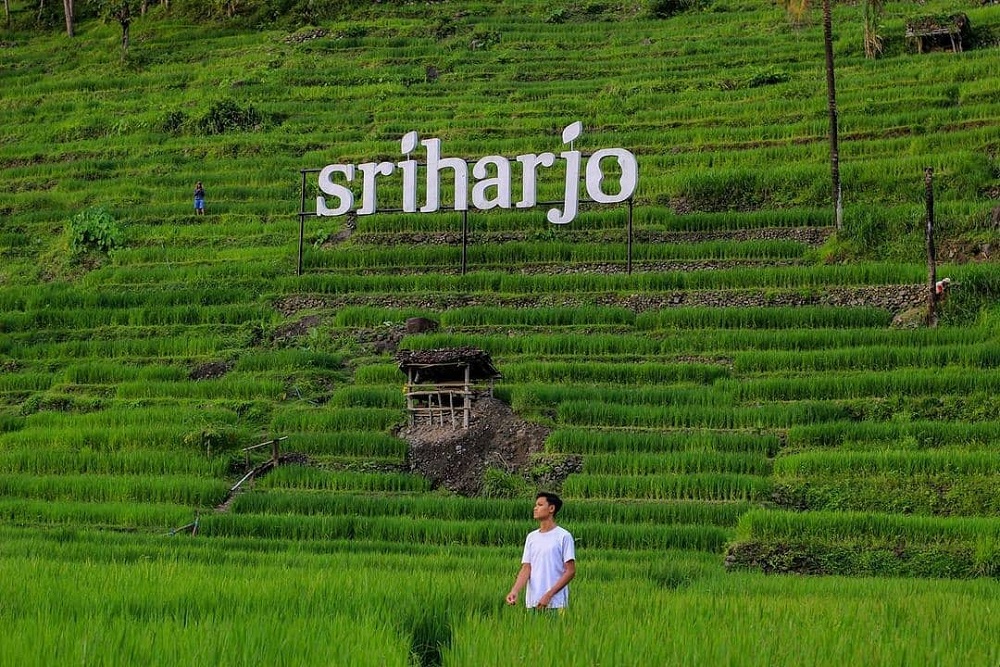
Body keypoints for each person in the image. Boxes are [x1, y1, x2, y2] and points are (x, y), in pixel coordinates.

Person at [506, 492, 576, 611]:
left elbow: (570, 571)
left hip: (556, 604)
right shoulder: (531, 537)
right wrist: (515, 591)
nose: (535, 508)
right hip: (533, 602)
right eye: (535, 505)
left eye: (540, 505)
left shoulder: (564, 536)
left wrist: (549, 595)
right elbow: (526, 568)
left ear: (551, 508)